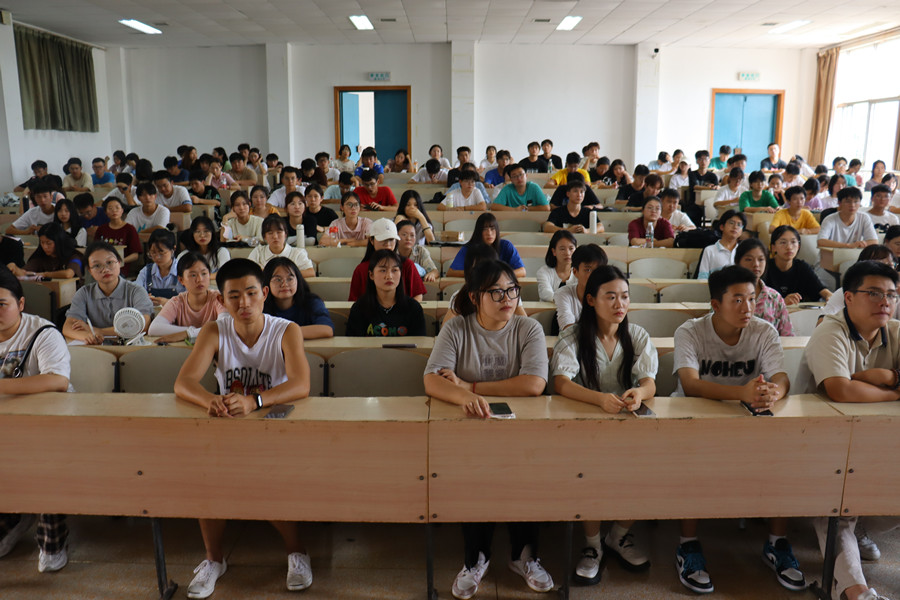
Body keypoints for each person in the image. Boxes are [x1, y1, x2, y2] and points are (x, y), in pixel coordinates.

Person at [173, 258, 312, 599]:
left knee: (269, 482)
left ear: (264, 293)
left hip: (276, 426)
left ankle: (297, 552)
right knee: (206, 480)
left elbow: (301, 384)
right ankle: (214, 559)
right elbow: (183, 383)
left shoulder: (286, 330)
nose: (244, 303)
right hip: (230, 427)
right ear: (221, 300)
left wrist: (255, 401)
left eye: (251, 293)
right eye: (234, 296)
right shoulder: (214, 331)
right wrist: (209, 399)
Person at [423, 259, 553, 600]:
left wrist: (470, 387)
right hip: (472, 431)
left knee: (526, 475)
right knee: (473, 475)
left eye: (511, 290)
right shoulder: (457, 329)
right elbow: (432, 380)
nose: (506, 299)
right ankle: (475, 557)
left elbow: (534, 384)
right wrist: (464, 397)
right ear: (474, 296)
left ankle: (525, 554)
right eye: (496, 292)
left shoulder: (528, 329)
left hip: (522, 433)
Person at [673, 265, 803, 594]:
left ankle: (777, 542)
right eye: (738, 300)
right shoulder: (690, 331)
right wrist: (741, 393)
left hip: (747, 415)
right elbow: (690, 385)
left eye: (751, 299)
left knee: (784, 456)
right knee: (692, 461)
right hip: (698, 417)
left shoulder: (764, 331)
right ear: (716, 304)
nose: (748, 308)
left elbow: (781, 376)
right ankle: (688, 544)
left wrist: (775, 392)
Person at [801, 259, 900, 600]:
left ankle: (858, 529)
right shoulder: (830, 330)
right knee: (838, 509)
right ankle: (856, 592)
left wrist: (886, 377)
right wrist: (895, 391)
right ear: (848, 298)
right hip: (820, 444)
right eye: (874, 293)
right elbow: (840, 390)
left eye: (891, 294)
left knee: (864, 505)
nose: (885, 301)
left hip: (877, 442)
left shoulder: (896, 331)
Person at [552, 266, 657, 585]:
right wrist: (598, 399)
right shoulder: (573, 336)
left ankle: (618, 536)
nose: (619, 304)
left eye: (624, 297)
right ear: (591, 300)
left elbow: (649, 382)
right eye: (610, 297)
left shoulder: (637, 335)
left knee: (650, 471)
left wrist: (639, 393)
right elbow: (561, 383)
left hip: (627, 427)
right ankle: (592, 545)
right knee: (590, 474)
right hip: (585, 427)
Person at [0, 266, 72, 574]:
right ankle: (13, 517)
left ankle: (51, 539)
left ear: (21, 303)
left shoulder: (43, 332)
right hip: (6, 425)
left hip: (49, 423)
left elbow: (57, 380)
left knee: (45, 462)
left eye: (1, 304)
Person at [62, 242, 153, 343]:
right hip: (95, 348)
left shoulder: (136, 291)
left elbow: (143, 326)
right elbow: (68, 327)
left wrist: (97, 331)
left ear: (119, 262)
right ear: (90, 271)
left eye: (109, 262)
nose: (105, 269)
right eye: (97, 265)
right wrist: (88, 336)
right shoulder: (83, 293)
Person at [148, 252, 225, 343]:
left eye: (204, 273)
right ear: (181, 280)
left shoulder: (218, 298)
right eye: (193, 275)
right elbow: (154, 329)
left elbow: (224, 325)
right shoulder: (177, 301)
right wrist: (190, 330)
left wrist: (188, 334)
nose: (200, 279)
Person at [346, 249, 426, 337]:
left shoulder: (413, 308)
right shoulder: (359, 308)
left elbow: (419, 342)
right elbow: (352, 343)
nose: (389, 276)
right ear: (371, 275)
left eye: (394, 270)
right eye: (383, 270)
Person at [348, 219, 426, 302]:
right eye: (383, 239)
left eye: (391, 239)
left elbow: (417, 295)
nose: (388, 244)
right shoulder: (361, 269)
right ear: (371, 240)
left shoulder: (407, 264)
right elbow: (354, 301)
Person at [263, 257, 333, 339]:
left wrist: (283, 333)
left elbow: (327, 329)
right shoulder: (260, 305)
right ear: (267, 283)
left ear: (298, 280)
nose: (285, 284)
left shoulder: (311, 301)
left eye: (290, 279)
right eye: (278, 279)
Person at [734, 238, 793, 335]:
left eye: (761, 259)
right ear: (737, 262)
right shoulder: (726, 294)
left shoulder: (775, 297)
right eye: (749, 259)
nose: (756, 264)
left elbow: (788, 334)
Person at [823, 245, 899, 318]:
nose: (885, 271)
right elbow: (822, 321)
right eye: (878, 265)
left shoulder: (897, 293)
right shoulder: (848, 292)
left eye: (890, 266)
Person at [764, 225, 832, 305]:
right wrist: (782, 302)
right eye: (783, 242)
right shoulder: (764, 267)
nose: (789, 247)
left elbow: (820, 289)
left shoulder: (802, 267)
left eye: (793, 242)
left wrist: (829, 296)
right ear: (773, 247)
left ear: (798, 246)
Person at [446, 213, 526, 278]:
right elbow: (451, 272)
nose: (489, 233)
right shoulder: (468, 248)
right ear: (478, 231)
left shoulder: (506, 246)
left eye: (492, 229)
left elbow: (522, 271)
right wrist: (479, 274)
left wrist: (497, 275)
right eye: (484, 229)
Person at [554, 244, 609, 331]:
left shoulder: (610, 294)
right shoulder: (563, 293)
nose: (594, 275)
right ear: (575, 272)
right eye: (588, 270)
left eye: (599, 270)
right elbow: (568, 328)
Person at [7, 222, 84, 280]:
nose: (45, 247)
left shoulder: (74, 256)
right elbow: (24, 272)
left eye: (49, 243)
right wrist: (15, 268)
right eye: (42, 242)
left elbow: (68, 274)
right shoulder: (40, 257)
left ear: (58, 242)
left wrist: (44, 274)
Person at [248, 214, 315, 277]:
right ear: (264, 236)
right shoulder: (258, 252)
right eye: (270, 233)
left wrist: (281, 274)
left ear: (285, 234)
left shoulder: (297, 253)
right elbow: (247, 271)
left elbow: (311, 272)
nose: (275, 236)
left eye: (279, 232)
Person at [93, 197, 142, 274]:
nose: (114, 210)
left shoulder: (130, 229)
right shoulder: (101, 229)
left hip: (120, 268)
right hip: (102, 266)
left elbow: (135, 255)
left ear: (122, 210)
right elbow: (95, 250)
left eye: (117, 208)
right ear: (105, 212)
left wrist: (119, 262)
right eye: (110, 208)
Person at [135, 229, 185, 305]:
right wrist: (143, 298)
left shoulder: (183, 270)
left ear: (173, 250)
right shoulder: (146, 271)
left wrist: (168, 303)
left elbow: (192, 301)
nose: (157, 257)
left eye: (161, 252)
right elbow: (135, 293)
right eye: (153, 252)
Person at [697, 210, 746, 279]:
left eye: (739, 225)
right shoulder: (709, 250)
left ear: (741, 231)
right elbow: (702, 278)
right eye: (731, 223)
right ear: (722, 227)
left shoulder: (744, 251)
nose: (735, 227)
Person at [537, 231, 577, 302]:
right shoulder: (543, 271)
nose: (567, 253)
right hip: (548, 309)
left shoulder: (579, 271)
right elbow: (545, 293)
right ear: (554, 251)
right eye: (562, 249)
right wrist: (566, 300)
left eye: (571, 249)